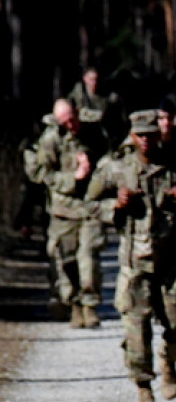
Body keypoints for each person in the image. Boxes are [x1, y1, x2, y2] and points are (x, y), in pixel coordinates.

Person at [86, 110, 176, 402]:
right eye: (141, 135)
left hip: (173, 261)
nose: (147, 140)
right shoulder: (117, 168)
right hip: (134, 262)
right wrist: (116, 203)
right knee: (135, 329)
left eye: (152, 134)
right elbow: (89, 203)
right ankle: (143, 386)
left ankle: (169, 359)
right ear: (132, 136)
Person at [25, 98, 109, 327]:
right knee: (66, 259)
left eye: (72, 119)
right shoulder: (51, 139)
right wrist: (73, 178)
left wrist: (96, 174)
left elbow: (109, 159)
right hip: (64, 208)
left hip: (91, 206)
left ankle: (90, 305)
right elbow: (42, 173)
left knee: (89, 256)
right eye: (64, 122)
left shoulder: (94, 133)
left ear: (78, 113)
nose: (70, 125)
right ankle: (74, 304)